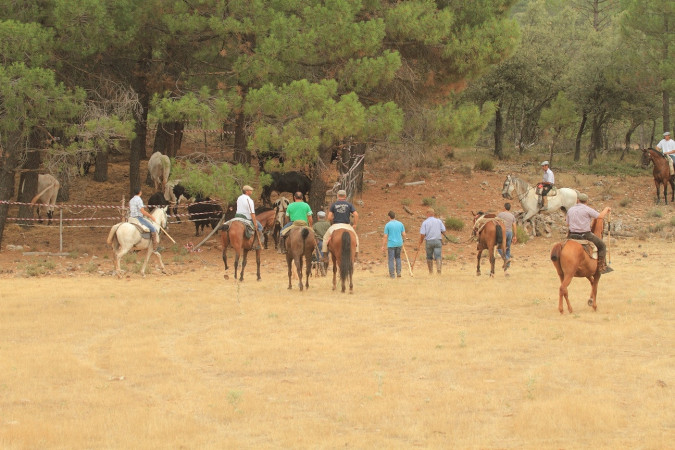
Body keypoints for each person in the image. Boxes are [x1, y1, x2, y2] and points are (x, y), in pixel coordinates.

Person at [566, 193, 612, 274]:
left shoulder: (570, 209)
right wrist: (606, 209)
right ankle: (601, 267)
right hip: (585, 235)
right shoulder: (587, 209)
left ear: (578, 200)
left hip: (571, 235)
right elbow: (600, 216)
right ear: (587, 201)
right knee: (602, 246)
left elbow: (567, 224)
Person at [321, 189, 359, 262]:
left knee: (325, 238)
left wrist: (333, 218)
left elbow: (329, 217)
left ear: (338, 196)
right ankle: (356, 256)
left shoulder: (334, 205)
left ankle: (325, 256)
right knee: (356, 238)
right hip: (347, 225)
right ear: (345, 196)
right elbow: (356, 214)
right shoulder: (349, 205)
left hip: (336, 225)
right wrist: (355, 224)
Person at [417, 208, 448, 274]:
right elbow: (444, 230)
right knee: (438, 256)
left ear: (427, 214)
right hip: (437, 241)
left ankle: (431, 271)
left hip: (429, 241)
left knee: (429, 256)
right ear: (433, 214)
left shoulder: (425, 222)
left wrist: (421, 241)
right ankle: (439, 270)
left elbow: (422, 234)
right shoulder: (439, 221)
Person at [381, 211, 406, 278]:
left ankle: (392, 275)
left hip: (391, 244)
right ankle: (398, 272)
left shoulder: (388, 225)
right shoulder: (400, 224)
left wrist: (383, 246)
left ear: (389, 217)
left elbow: (385, 236)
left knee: (391, 259)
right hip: (399, 244)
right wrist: (403, 239)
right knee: (398, 258)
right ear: (395, 216)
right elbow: (404, 234)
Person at [496, 202, 517, 268]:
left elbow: (496, 222)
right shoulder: (512, 216)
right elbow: (514, 226)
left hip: (503, 233)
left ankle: (506, 259)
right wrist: (515, 236)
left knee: (499, 248)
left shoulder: (500, 214)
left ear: (504, 207)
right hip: (510, 233)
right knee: (508, 248)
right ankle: (507, 265)